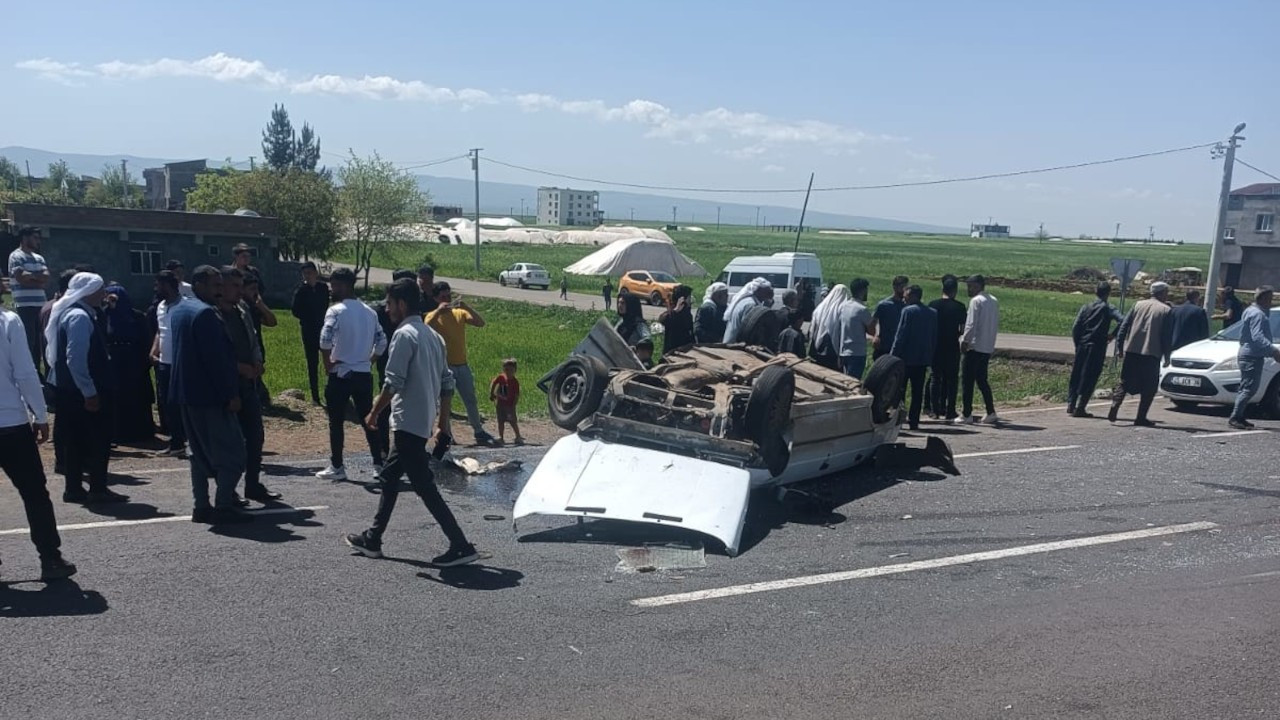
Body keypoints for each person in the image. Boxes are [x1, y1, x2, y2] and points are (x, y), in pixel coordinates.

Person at [344, 278, 479, 567]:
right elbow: (447, 383)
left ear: (402, 304)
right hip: (422, 420)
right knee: (390, 478)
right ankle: (373, 538)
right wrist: (442, 422)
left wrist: (372, 413)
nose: (388, 309)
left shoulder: (404, 335)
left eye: (390, 304)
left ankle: (460, 544)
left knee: (424, 486)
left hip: (406, 422)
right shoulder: (433, 336)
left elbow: (393, 382)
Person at [0, 274, 78, 580]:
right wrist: (41, 414)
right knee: (34, 493)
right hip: (9, 422)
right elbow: (25, 371)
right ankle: (50, 557)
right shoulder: (8, 321)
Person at [169, 266, 251, 524]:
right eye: (215, 285)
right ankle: (224, 505)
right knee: (233, 454)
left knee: (198, 452)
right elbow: (217, 361)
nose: (219, 290)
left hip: (187, 394)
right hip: (211, 396)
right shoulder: (205, 314)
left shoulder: (179, 309)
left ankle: (201, 505)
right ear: (199, 285)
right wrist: (231, 394)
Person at [44, 272, 126, 504]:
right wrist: (89, 392)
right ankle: (98, 488)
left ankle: (74, 488)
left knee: (76, 441)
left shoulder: (75, 313)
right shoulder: (79, 317)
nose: (103, 294)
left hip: (71, 390)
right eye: (100, 289)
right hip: (85, 391)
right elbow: (75, 358)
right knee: (98, 439)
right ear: (88, 292)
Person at [317, 268, 387, 480]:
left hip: (341, 373)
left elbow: (324, 339)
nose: (331, 289)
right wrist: (369, 359)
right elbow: (382, 342)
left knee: (336, 422)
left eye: (335, 285)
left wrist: (328, 364)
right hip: (363, 373)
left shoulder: (335, 311)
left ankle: (337, 466)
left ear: (344, 285)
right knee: (369, 419)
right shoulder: (369, 311)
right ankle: (378, 464)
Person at [219, 267, 280, 502]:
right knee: (231, 442)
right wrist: (237, 367)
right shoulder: (213, 314)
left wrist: (256, 361)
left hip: (248, 384)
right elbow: (217, 355)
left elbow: (253, 339)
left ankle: (253, 484)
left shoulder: (242, 310)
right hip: (228, 386)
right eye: (234, 286)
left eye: (239, 285)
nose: (239, 291)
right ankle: (228, 492)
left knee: (256, 437)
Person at [425, 282, 496, 446]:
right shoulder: (432, 315)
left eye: (449, 296)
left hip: (462, 364)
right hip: (444, 366)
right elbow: (426, 326)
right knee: (445, 403)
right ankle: (447, 434)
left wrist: (467, 307)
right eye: (443, 297)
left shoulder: (459, 312)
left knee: (470, 399)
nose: (447, 299)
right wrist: (438, 311)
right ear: (436, 298)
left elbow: (480, 323)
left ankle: (478, 431)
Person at [1108, 282, 1174, 427]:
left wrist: (1119, 347)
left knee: (1124, 381)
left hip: (1132, 351)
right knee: (1149, 387)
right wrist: (1167, 357)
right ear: (1162, 293)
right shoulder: (1166, 310)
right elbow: (1166, 336)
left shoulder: (1138, 305)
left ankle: (1115, 404)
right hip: (1151, 353)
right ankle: (1140, 417)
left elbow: (1123, 326)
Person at [372, 269, 417, 461]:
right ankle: (386, 447)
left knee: (402, 402)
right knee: (388, 401)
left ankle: (403, 451)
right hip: (388, 358)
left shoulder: (413, 316)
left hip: (407, 358)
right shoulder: (383, 311)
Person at [103, 283, 156, 443]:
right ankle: (118, 433)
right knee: (117, 397)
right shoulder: (105, 315)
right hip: (114, 361)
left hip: (134, 360)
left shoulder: (136, 316)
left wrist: (145, 360)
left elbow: (146, 339)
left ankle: (141, 432)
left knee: (136, 396)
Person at [1066, 282, 1125, 418]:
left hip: (1083, 345)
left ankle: (1071, 404)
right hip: (1097, 347)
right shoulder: (1109, 308)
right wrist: (1113, 335)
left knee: (1077, 374)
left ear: (1095, 292)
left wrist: (1077, 344)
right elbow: (1123, 320)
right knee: (1090, 376)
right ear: (1108, 293)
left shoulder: (1086, 307)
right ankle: (1081, 407)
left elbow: (1076, 327)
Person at [1229, 285, 1279, 429]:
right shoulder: (1259, 315)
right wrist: (1273, 350)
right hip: (1252, 355)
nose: (1271, 301)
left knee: (1246, 386)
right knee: (1249, 388)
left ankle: (1240, 415)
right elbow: (1257, 337)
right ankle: (1236, 416)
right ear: (1263, 298)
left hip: (1248, 352)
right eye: (1270, 298)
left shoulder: (1250, 311)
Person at [150, 271, 188, 457]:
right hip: (164, 363)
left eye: (159, 285)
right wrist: (154, 349)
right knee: (168, 404)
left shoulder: (185, 306)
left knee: (184, 404)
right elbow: (160, 330)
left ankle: (191, 440)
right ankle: (176, 442)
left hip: (181, 363)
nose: (157, 289)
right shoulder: (161, 306)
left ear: (169, 285)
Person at [891, 285, 938, 431]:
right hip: (922, 358)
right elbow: (933, 337)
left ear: (913, 296)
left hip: (906, 358)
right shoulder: (932, 313)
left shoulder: (907, 311)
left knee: (900, 390)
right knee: (917, 392)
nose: (904, 298)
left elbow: (901, 335)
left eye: (906, 295)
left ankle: (899, 418)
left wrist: (892, 355)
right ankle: (914, 420)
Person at [960, 274, 1000, 425]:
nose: (968, 289)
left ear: (977, 286)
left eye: (970, 286)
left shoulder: (976, 301)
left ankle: (967, 414)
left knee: (967, 381)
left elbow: (971, 324)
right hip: (987, 346)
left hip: (974, 346)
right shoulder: (993, 300)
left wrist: (965, 341)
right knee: (982, 380)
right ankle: (990, 411)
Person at [8, 225, 50, 369]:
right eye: (35, 238)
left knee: (42, 340)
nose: (38, 241)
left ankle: (44, 372)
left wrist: (32, 278)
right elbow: (21, 278)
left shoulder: (39, 258)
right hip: (25, 305)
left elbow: (46, 277)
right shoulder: (16, 256)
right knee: (29, 340)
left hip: (41, 304)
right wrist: (38, 280)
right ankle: (32, 370)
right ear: (25, 238)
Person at [927, 274, 967, 422]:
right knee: (952, 380)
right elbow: (962, 329)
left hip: (936, 346)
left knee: (935, 378)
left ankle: (934, 410)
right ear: (954, 291)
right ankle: (950, 410)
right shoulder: (960, 307)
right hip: (952, 346)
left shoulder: (933, 305)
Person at [291, 261, 330, 405]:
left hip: (323, 328)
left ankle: (330, 392)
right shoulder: (301, 290)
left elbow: (326, 305)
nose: (307, 276)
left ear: (315, 273)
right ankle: (315, 397)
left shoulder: (323, 288)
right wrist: (308, 316)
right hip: (308, 329)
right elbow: (295, 310)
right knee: (312, 363)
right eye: (304, 274)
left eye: (309, 273)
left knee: (329, 360)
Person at [839, 279, 876, 378]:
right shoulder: (862, 310)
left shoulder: (844, 306)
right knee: (853, 382)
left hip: (843, 351)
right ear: (862, 291)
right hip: (857, 352)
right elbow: (872, 331)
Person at [808, 283, 851, 370]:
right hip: (832, 348)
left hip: (818, 345)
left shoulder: (820, 308)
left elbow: (812, 328)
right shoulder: (842, 310)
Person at [722, 278, 774, 343]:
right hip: (735, 345)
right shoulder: (751, 305)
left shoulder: (747, 301)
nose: (770, 292)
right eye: (767, 290)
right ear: (758, 291)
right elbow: (748, 328)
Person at [872, 275, 909, 360]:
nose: (904, 290)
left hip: (901, 347)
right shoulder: (884, 305)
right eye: (902, 287)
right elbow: (875, 321)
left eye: (906, 287)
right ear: (894, 287)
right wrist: (876, 335)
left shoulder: (908, 306)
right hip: (884, 345)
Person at [489, 358, 524, 445]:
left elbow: (516, 395)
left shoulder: (515, 382)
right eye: (506, 370)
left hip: (509, 405)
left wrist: (514, 405)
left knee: (512, 421)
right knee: (500, 421)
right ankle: (501, 437)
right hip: (500, 404)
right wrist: (492, 393)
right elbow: (494, 383)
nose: (508, 372)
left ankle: (518, 436)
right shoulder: (501, 377)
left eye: (511, 370)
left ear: (515, 370)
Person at [1168, 289, 1210, 353]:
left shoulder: (1175, 310)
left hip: (1175, 345)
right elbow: (1204, 332)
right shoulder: (1199, 311)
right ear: (1197, 298)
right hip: (1192, 346)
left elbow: (1169, 328)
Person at [659, 285, 695, 357]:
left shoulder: (687, 312)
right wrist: (676, 310)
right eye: (689, 297)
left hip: (685, 350)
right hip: (672, 351)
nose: (690, 299)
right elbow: (662, 320)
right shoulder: (674, 312)